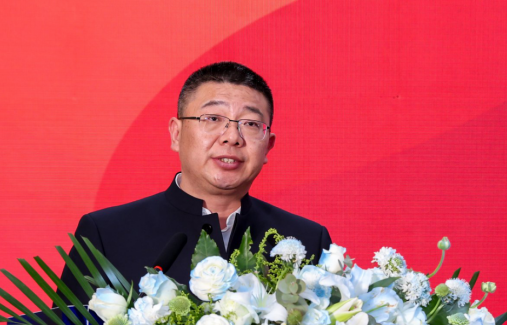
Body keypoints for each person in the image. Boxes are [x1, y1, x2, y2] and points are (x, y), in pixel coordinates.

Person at [60, 62, 331, 304]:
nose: (232, 137)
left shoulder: (307, 241)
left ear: (268, 146)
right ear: (176, 134)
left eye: (250, 124)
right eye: (212, 119)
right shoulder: (106, 235)